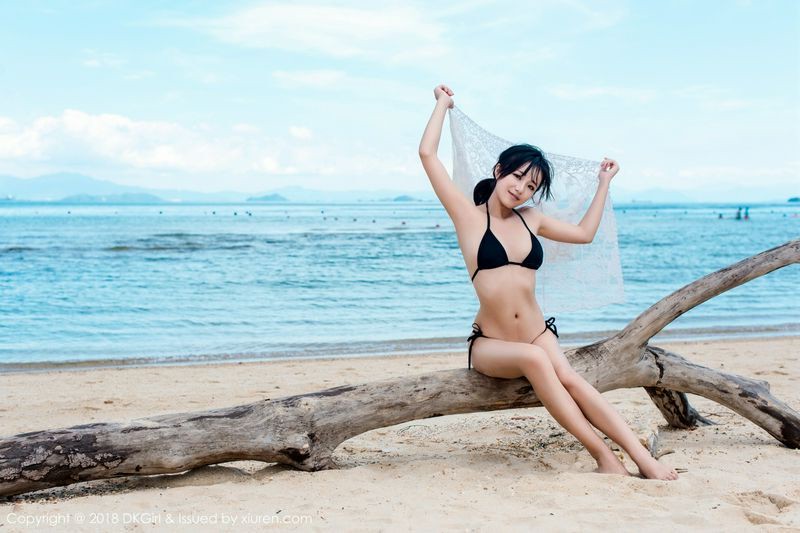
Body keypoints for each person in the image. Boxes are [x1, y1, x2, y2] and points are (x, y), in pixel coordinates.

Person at [418, 84, 678, 481]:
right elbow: (427, 154)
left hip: (538, 333)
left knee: (572, 378)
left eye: (531, 186)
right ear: (499, 171)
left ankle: (642, 459)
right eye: (517, 176)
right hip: (492, 345)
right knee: (538, 360)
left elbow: (585, 234)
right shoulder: (467, 216)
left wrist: (603, 184)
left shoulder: (532, 219)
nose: (521, 189)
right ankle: (604, 458)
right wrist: (442, 103)